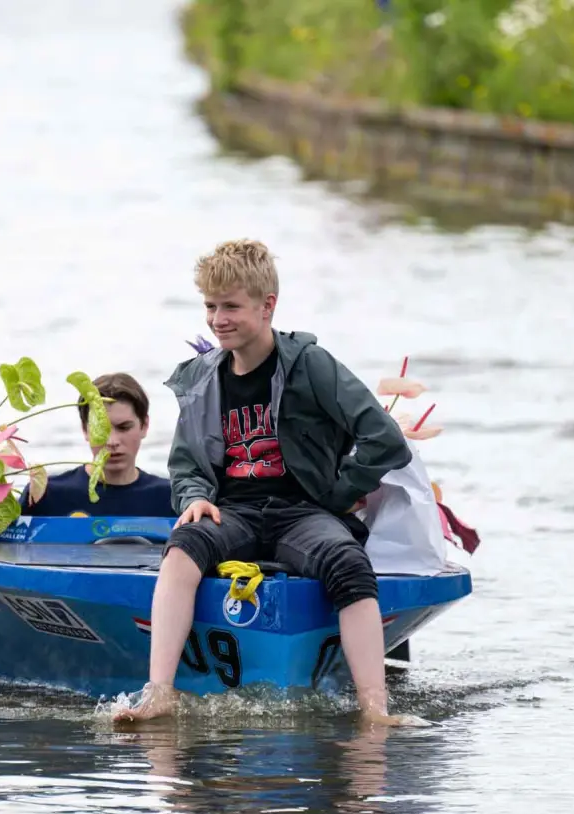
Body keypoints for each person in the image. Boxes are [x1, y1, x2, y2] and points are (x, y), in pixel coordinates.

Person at [114, 239, 414, 725]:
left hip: (305, 514)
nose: (217, 319)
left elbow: (385, 439)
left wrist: (337, 495)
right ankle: (160, 694)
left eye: (230, 306)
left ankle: (375, 711)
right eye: (210, 307)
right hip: (233, 513)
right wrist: (194, 498)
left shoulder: (311, 365)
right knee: (183, 546)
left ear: (267, 305)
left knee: (349, 563)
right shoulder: (202, 377)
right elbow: (186, 464)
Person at [20, 372, 176, 518]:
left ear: (144, 425)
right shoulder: (44, 495)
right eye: (100, 430)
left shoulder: (172, 499)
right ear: (84, 429)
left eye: (124, 427)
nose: (112, 441)